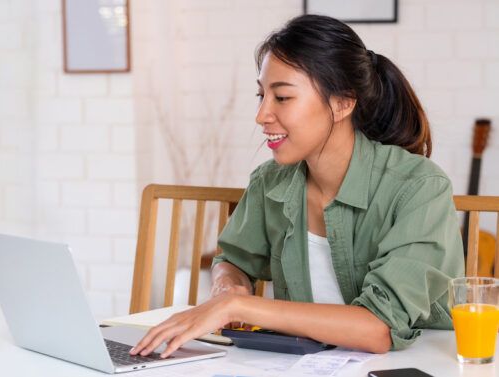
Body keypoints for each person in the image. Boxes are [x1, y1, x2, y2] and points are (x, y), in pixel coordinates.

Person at [130, 14, 464, 358]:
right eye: (261, 95)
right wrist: (227, 286)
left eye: (282, 97)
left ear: (342, 103)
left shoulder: (420, 187)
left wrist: (237, 308)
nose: (262, 114)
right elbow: (234, 258)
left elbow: (378, 328)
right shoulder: (270, 181)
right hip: (304, 364)